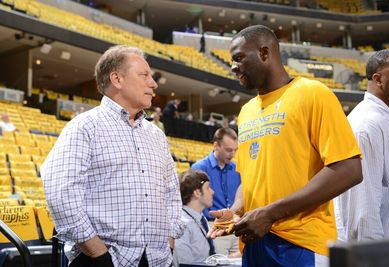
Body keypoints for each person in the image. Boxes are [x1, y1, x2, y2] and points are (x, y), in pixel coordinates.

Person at [208, 25, 362, 267]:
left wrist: (271, 213)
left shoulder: (313, 94)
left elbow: (349, 169)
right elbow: (247, 180)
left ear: (265, 53)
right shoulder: (246, 111)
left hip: (302, 243)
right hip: (254, 240)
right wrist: (237, 211)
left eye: (238, 58)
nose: (233, 66)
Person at [41, 45, 184, 267]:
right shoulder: (84, 126)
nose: (153, 84)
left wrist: (169, 242)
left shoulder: (156, 135)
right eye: (144, 75)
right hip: (102, 260)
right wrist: (98, 254)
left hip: (157, 260)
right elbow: (61, 194)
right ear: (117, 79)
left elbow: (172, 193)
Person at [335, 49, 389, 241]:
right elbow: (363, 211)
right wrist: (372, 257)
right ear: (378, 79)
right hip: (380, 252)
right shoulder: (366, 125)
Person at [191, 127, 241, 256]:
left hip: (235, 226)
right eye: (228, 150)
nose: (232, 154)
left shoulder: (237, 170)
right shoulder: (199, 168)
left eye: (235, 150)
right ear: (215, 146)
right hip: (213, 227)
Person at [174, 169, 215, 265]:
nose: (212, 192)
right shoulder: (182, 224)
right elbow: (184, 264)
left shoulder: (201, 219)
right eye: (208, 188)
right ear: (197, 193)